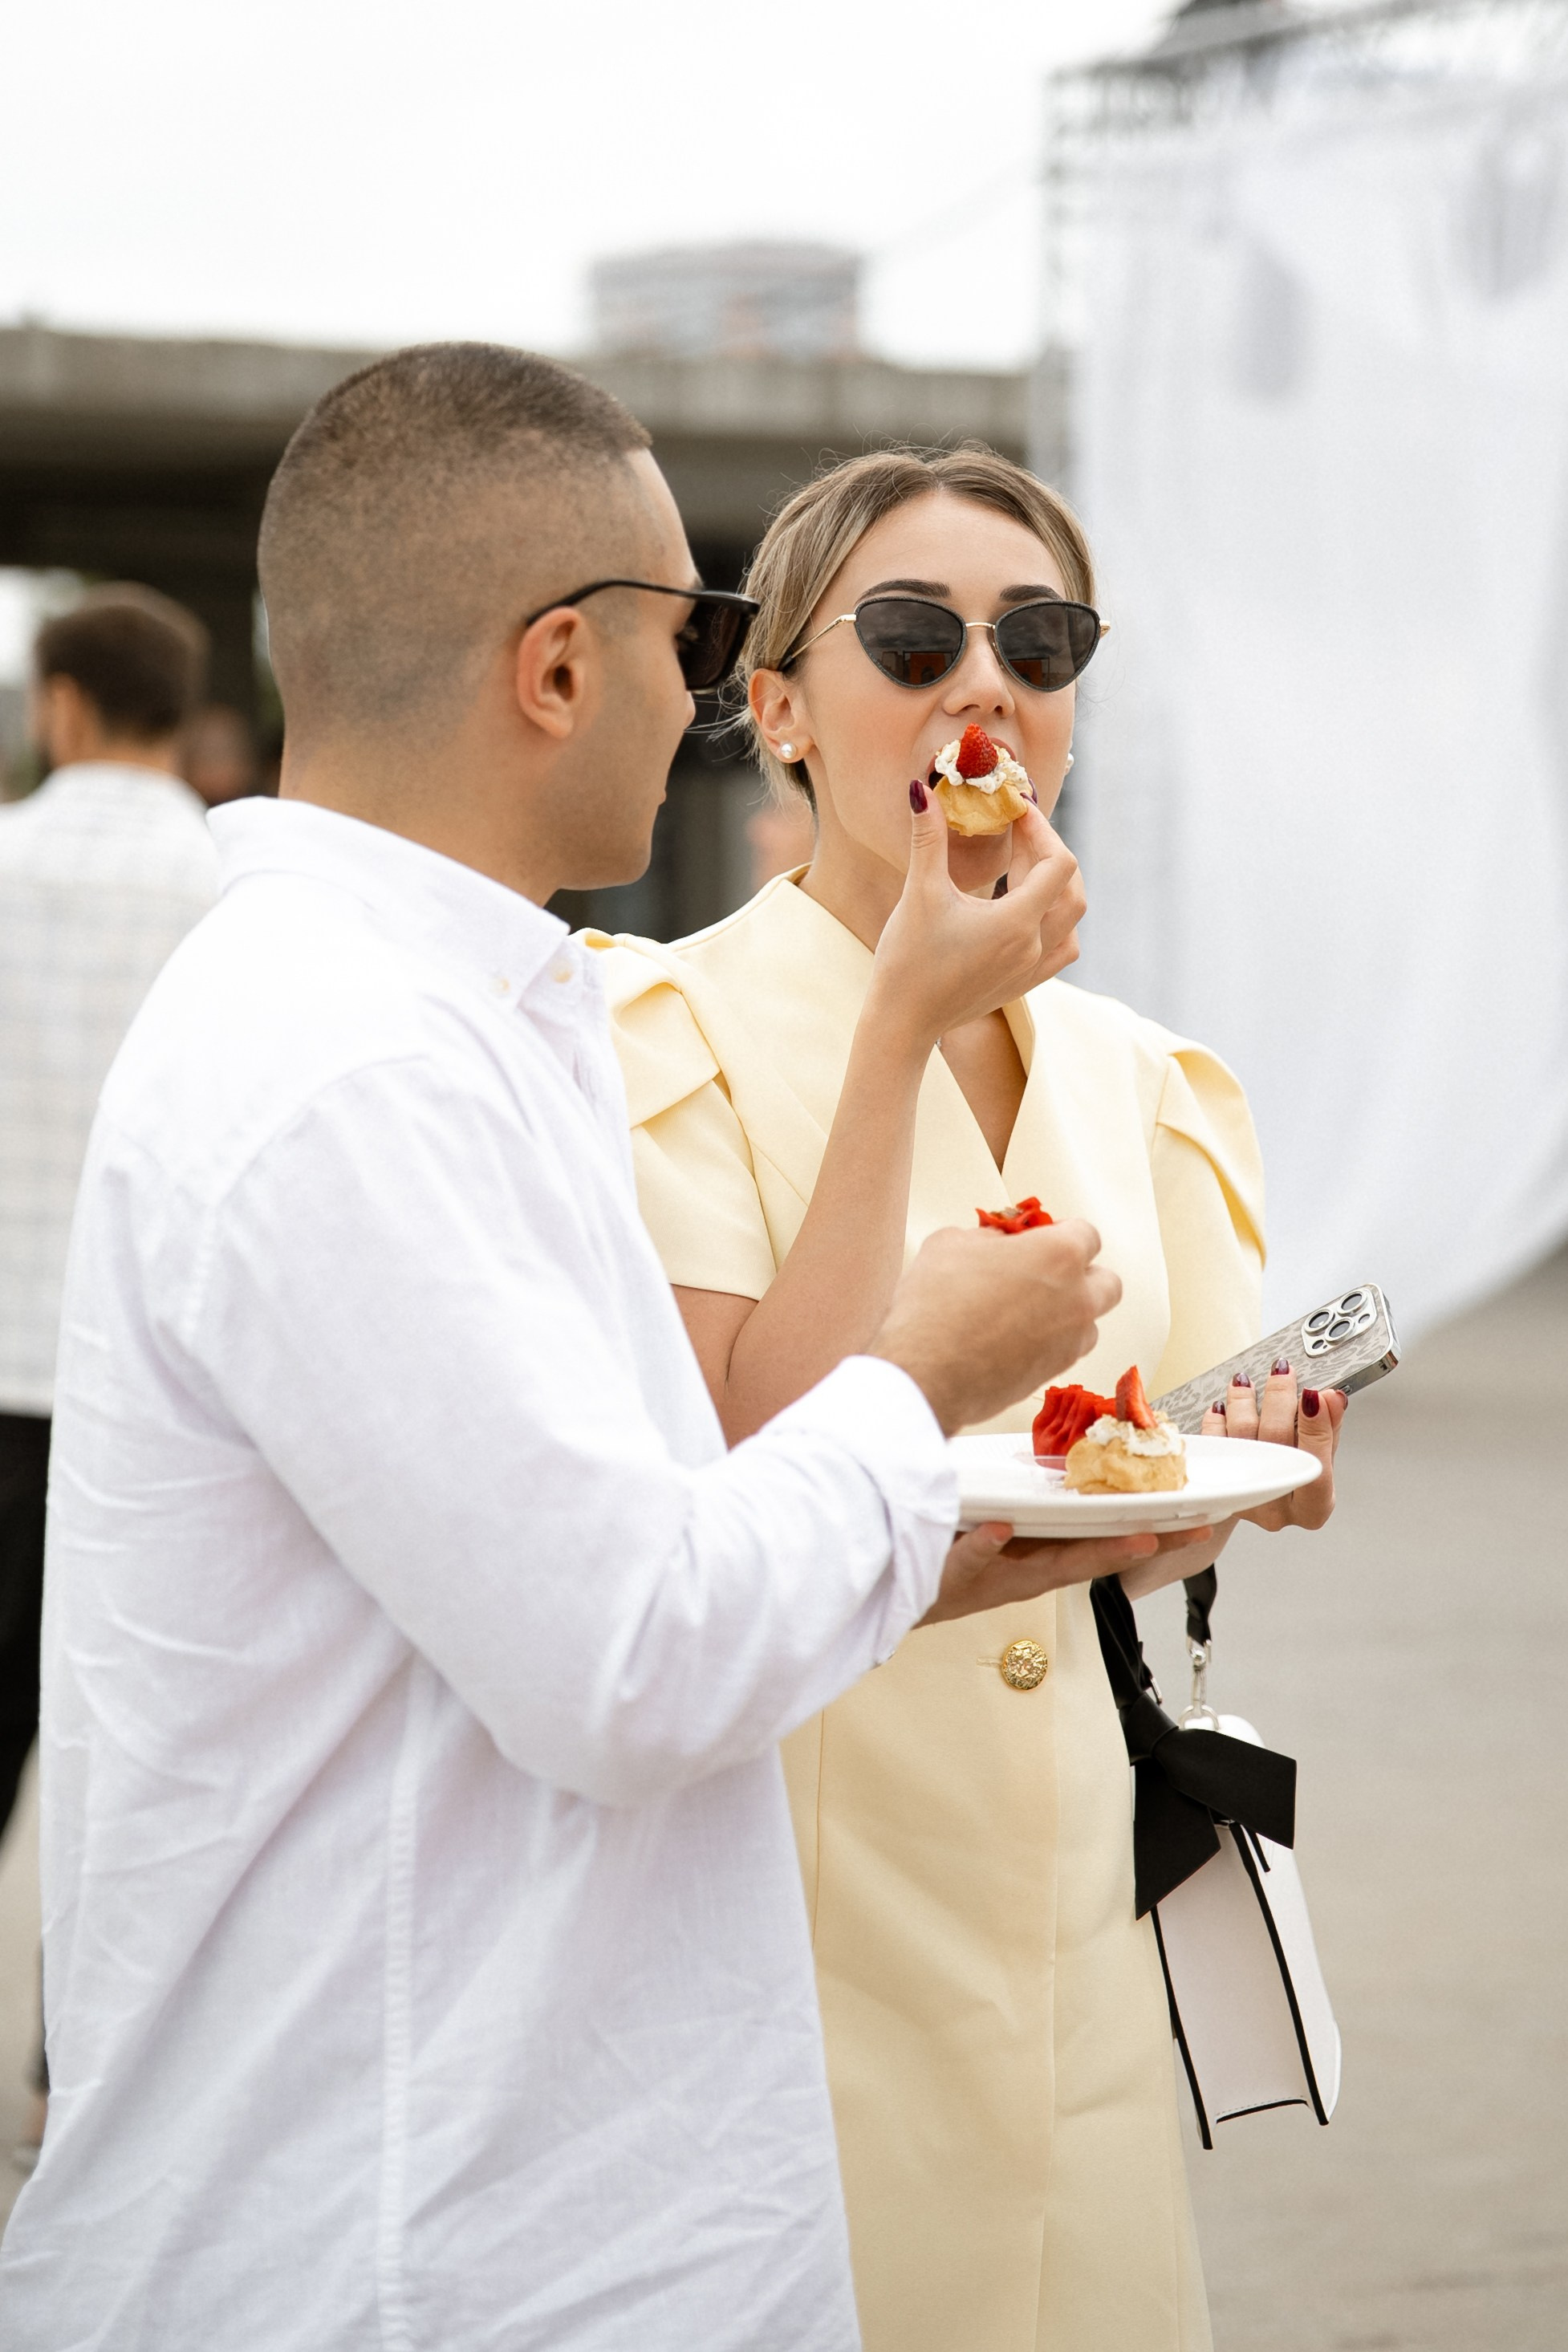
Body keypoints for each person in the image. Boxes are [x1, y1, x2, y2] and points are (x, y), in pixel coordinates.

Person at [0, 347, 1172, 2352]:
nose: (708, 690)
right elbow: (634, 1656)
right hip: (410, 2251)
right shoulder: (352, 1067)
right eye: (701, 629)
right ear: (557, 665)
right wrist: (918, 1373)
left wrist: (949, 1532)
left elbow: (628, 1549)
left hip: (508, 2210)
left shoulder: (462, 1015)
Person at [594, 447, 1347, 2352]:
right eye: (911, 636)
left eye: (1038, 637)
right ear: (773, 708)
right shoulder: (656, 1035)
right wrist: (898, 1028)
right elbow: (742, 1472)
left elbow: (1164, 1455)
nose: (980, 685)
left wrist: (1254, 1468)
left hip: (1072, 1916)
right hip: (789, 1919)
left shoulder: (1143, 1072)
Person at [0, 583, 217, 2159]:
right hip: (163, 1392)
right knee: (129, 1753)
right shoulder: (232, 884)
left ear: (61, 704)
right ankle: (83, 2085)